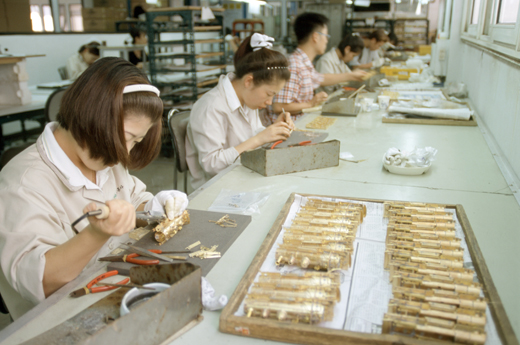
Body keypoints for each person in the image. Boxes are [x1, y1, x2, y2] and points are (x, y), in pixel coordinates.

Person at [0, 57, 188, 319]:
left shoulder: (104, 154)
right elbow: (40, 282)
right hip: (56, 318)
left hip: (111, 287)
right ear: (90, 116)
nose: (125, 151)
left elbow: (132, 197)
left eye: (136, 140)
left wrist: (155, 205)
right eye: (125, 138)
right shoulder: (22, 183)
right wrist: (96, 234)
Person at [185, 33, 294, 189]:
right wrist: (260, 139)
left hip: (244, 177)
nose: (270, 102)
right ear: (249, 81)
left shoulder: (247, 99)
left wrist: (273, 131)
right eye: (269, 94)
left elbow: (251, 137)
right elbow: (211, 165)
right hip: (214, 190)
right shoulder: (211, 107)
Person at [267, 13, 367, 124]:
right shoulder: (295, 66)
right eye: (326, 36)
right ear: (315, 37)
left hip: (299, 122)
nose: (327, 41)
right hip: (289, 129)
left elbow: (321, 78)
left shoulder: (304, 64)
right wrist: (310, 103)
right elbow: (278, 106)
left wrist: (351, 75)